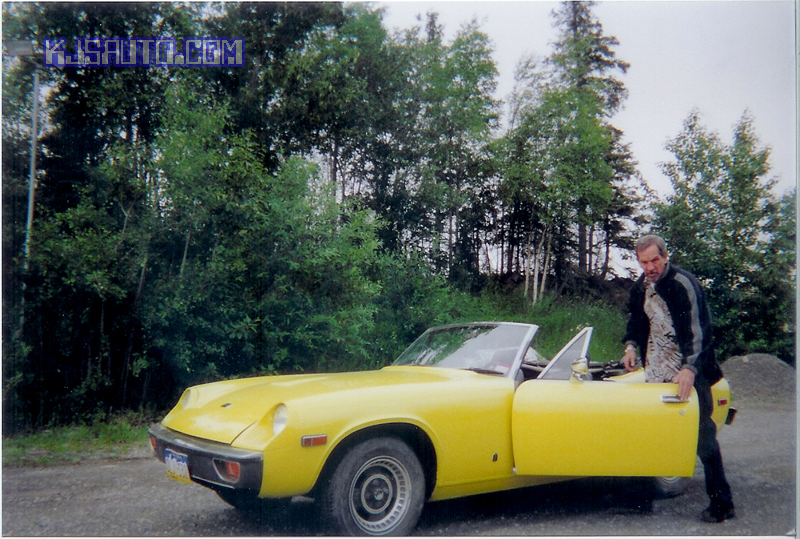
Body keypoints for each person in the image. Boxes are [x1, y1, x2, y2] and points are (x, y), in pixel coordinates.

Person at [621, 234, 735, 523]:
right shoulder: (640, 288)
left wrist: (690, 368)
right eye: (644, 262)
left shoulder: (684, 283)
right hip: (656, 369)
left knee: (702, 435)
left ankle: (722, 503)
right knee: (650, 430)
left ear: (665, 256)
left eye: (654, 260)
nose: (650, 267)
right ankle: (640, 500)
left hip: (691, 369)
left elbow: (700, 331)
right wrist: (630, 346)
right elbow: (634, 321)